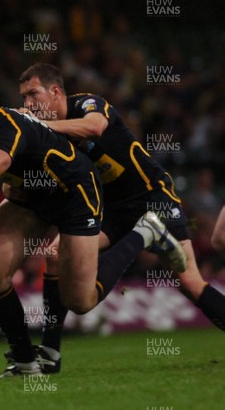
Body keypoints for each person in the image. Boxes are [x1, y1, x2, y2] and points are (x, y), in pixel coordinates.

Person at [0, 70, 186, 378]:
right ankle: (25, 360)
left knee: (81, 300)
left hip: (75, 192)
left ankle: (145, 233)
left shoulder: (1, 127)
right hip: (30, 194)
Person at [17, 63, 225, 373]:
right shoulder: (50, 138)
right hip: (113, 209)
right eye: (23, 98)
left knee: (190, 282)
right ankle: (50, 353)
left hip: (153, 195)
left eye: (33, 94)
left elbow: (94, 128)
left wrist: (39, 128)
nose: (28, 104)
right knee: (56, 253)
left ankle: (148, 231)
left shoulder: (87, 104)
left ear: (56, 91)